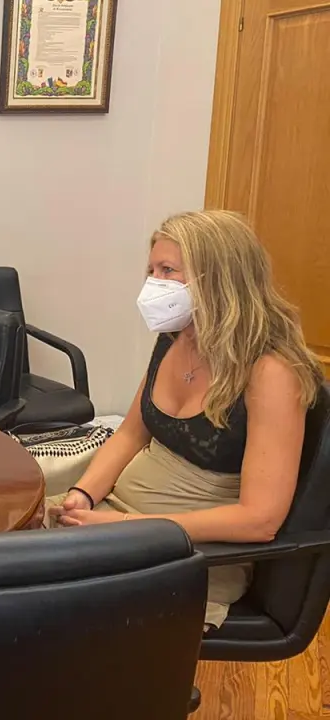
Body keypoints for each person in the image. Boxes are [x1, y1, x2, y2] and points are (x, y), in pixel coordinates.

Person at [45, 211, 322, 629]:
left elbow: (260, 520)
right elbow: (130, 434)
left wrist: (126, 527)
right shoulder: (175, 339)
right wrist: (83, 494)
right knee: (4, 551)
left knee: (36, 602)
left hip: (189, 548)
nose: (152, 284)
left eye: (167, 271)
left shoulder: (271, 373)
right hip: (120, 514)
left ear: (217, 278)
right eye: (151, 271)